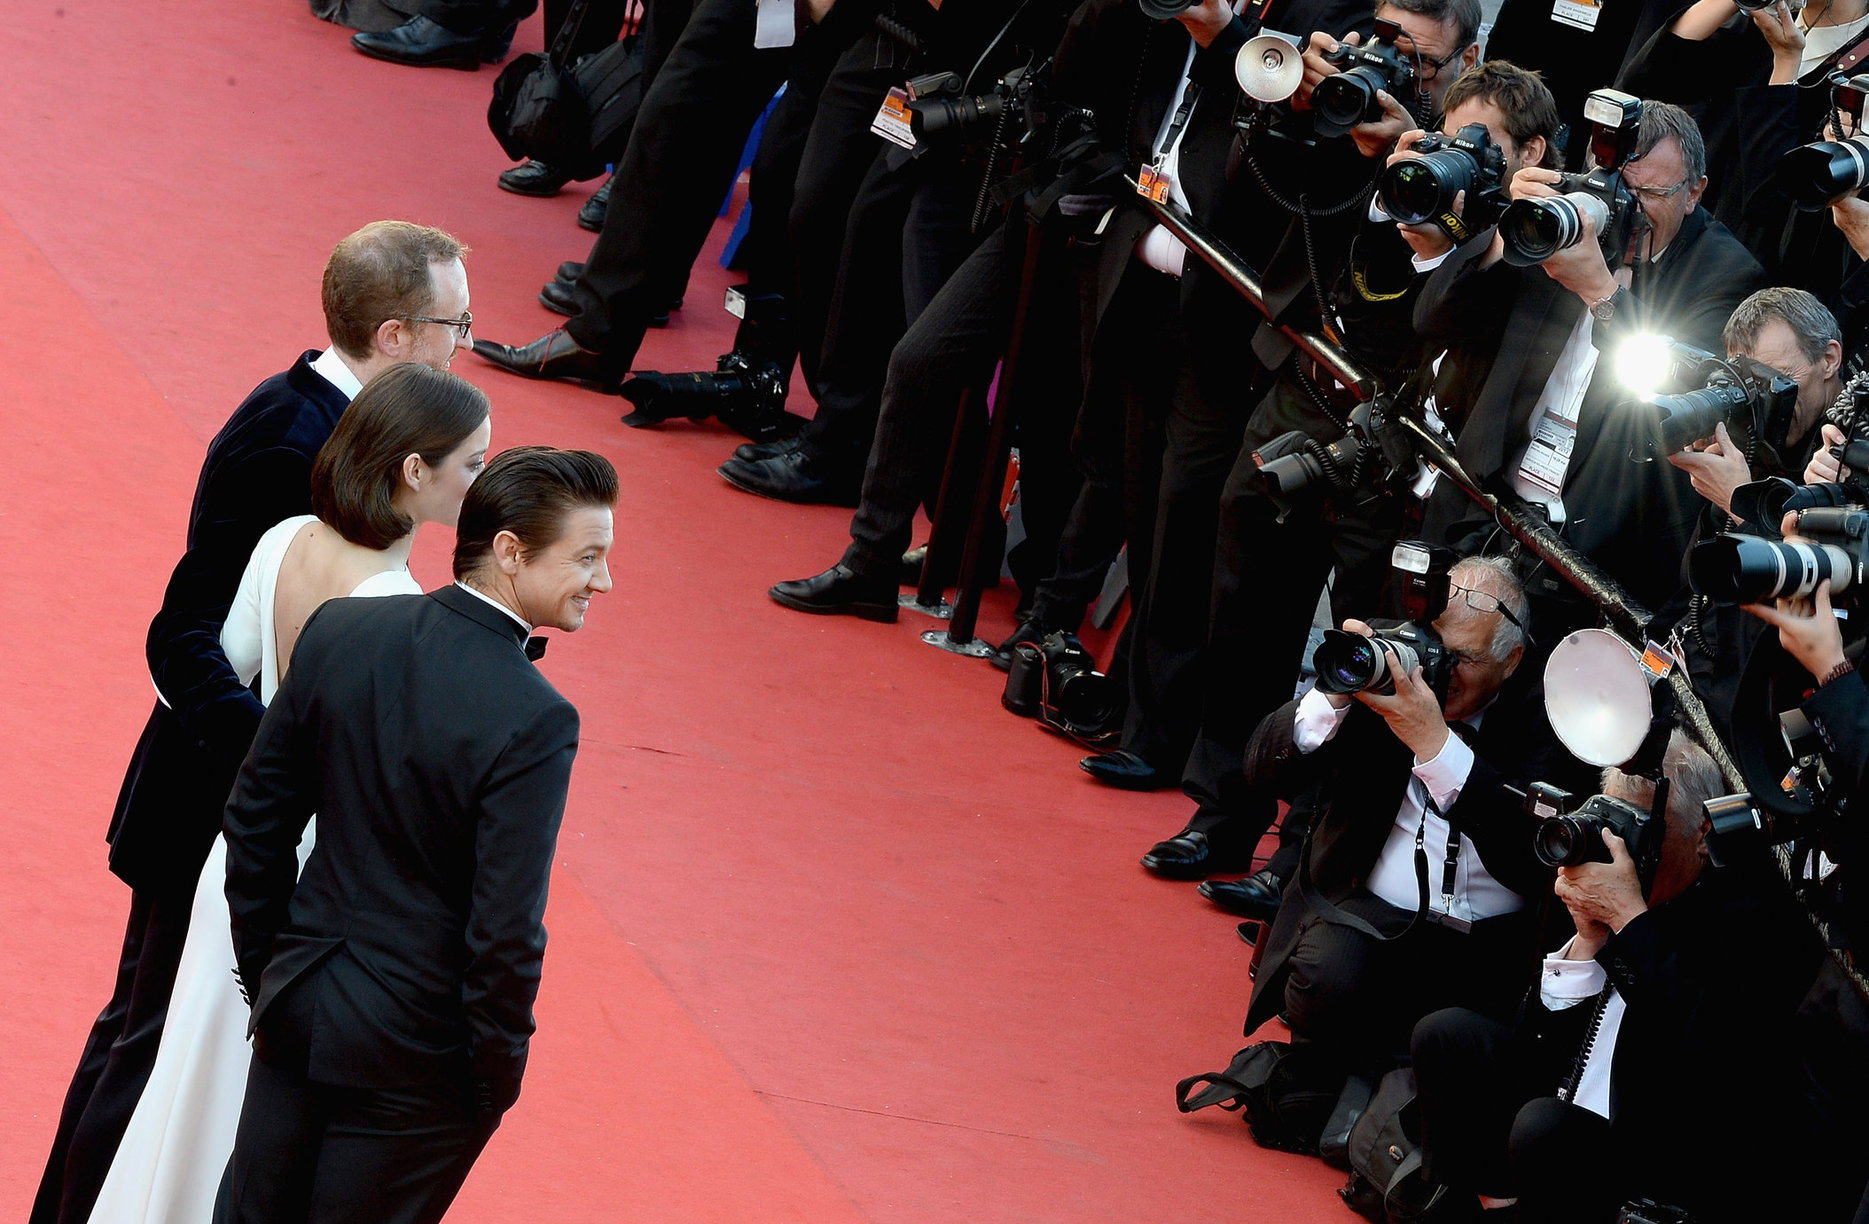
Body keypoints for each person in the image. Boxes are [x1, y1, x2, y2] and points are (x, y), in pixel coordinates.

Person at [30, 220, 473, 1224]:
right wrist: (276, 768)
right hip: (206, 806)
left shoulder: (331, 423)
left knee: (138, 1044)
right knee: (145, 1053)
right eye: (457, 325)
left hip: (223, 800)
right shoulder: (294, 440)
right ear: (396, 334)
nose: (465, 346)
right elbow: (184, 632)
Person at [222, 446, 618, 1224]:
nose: (603, 581)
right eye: (589, 557)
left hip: (302, 1003)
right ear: (510, 551)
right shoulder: (536, 717)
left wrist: (273, 968)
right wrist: (495, 1078)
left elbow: (256, 819)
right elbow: (504, 929)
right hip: (419, 1055)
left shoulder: (345, 631)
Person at [1409, 732, 1822, 1223]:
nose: (1622, 845)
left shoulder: (1747, 922)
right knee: (1447, 1036)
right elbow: (1539, 1039)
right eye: (1615, 820)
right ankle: (1486, 1205)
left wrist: (1630, 923)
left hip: (1653, 1151)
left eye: (1644, 828)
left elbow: (1709, 1065)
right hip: (1567, 1102)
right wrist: (1587, 941)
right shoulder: (1600, 864)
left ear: (1701, 833)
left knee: (1543, 1128)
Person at [1232, 556, 1592, 1070]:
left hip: (1491, 944)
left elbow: (1527, 860)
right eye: (1436, 650)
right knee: (1326, 977)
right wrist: (1331, 698)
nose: (1439, 673)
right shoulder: (1390, 660)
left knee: (1463, 1045)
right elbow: (1261, 773)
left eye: (1464, 659)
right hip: (1370, 914)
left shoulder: (1557, 714)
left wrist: (1436, 744)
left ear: (1511, 660)